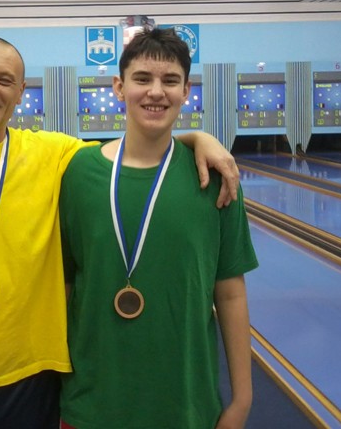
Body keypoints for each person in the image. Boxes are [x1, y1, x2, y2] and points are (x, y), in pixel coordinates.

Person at [0, 36, 241, 429]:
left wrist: (198, 138)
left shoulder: (54, 155)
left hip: (34, 382)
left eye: (4, 80)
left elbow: (139, 147)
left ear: (21, 92)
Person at [59, 28, 258, 429]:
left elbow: (231, 293)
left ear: (186, 91)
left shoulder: (217, 180)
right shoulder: (78, 173)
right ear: (119, 87)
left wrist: (242, 400)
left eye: (170, 81)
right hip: (91, 405)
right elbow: (63, 286)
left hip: (186, 406)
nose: (155, 91)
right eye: (142, 79)